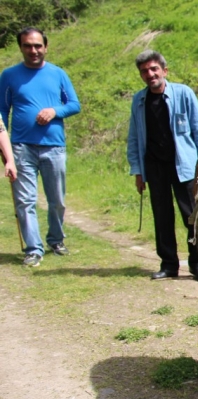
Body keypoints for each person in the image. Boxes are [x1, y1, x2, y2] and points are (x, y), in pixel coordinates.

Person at [0, 27, 81, 267]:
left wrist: (55, 111)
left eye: (37, 46)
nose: (33, 50)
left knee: (57, 199)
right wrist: (5, 150)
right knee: (25, 201)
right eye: (27, 45)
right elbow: (2, 112)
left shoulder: (58, 74)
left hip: (53, 147)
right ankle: (33, 249)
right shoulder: (9, 75)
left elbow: (74, 104)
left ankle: (56, 239)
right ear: (21, 47)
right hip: (21, 147)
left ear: (45, 47)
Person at [126, 50, 198, 281]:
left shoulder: (183, 93)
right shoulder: (139, 100)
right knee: (162, 218)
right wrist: (138, 171)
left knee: (192, 217)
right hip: (155, 167)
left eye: (154, 69)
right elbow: (134, 137)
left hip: (185, 167)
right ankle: (169, 265)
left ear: (164, 70)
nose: (150, 74)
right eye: (145, 71)